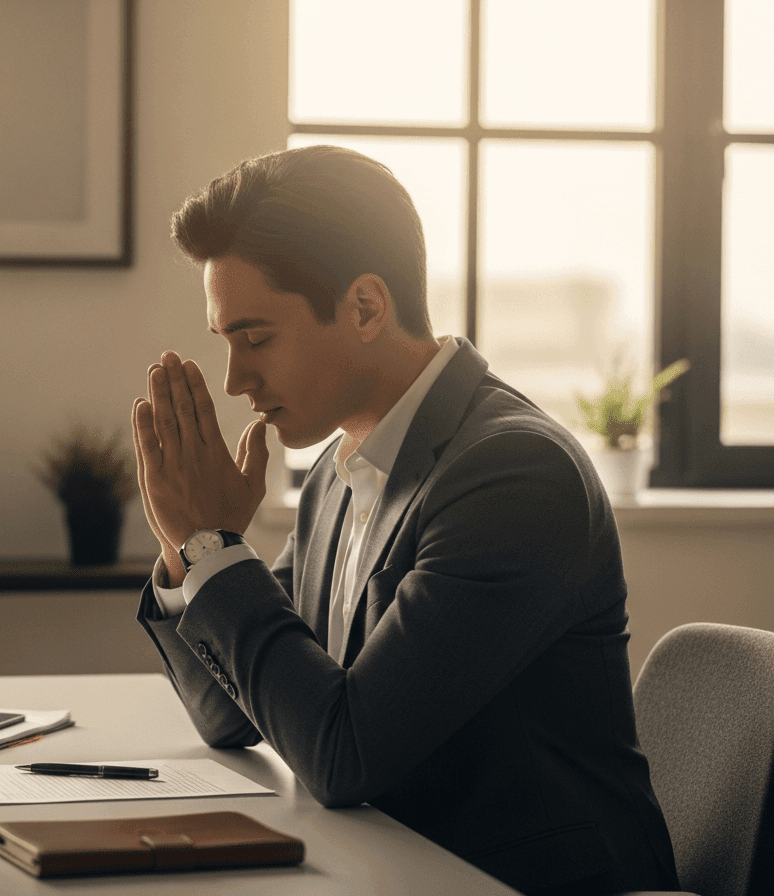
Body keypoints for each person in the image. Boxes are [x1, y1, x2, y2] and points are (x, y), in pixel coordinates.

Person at [129, 145, 679, 896]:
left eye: (256, 340)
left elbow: (343, 754)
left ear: (364, 307)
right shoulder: (341, 467)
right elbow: (234, 715)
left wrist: (215, 549)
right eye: (226, 343)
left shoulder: (515, 476)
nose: (235, 380)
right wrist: (183, 549)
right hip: (395, 867)